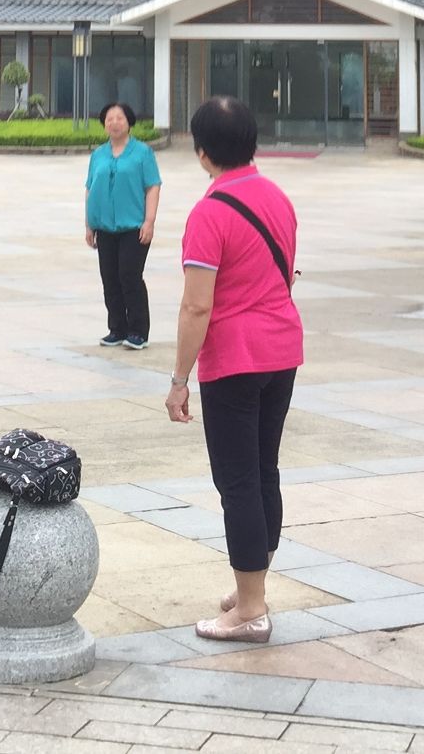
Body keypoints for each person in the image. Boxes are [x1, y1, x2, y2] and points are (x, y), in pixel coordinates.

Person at [165, 95, 302, 644]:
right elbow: (287, 274)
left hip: (235, 361)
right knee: (263, 470)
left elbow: (197, 306)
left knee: (238, 481)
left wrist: (178, 380)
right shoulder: (278, 197)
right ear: (252, 142)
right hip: (282, 352)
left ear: (202, 153)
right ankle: (254, 587)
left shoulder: (209, 213)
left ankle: (249, 611)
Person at [84, 100, 161, 348]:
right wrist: (89, 224)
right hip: (105, 227)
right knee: (110, 278)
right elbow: (89, 189)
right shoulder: (98, 155)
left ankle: (138, 330)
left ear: (129, 122)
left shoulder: (142, 153)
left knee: (129, 276)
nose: (114, 123)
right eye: (109, 119)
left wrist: (149, 221)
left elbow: (152, 186)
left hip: (133, 226)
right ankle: (117, 328)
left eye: (119, 118)